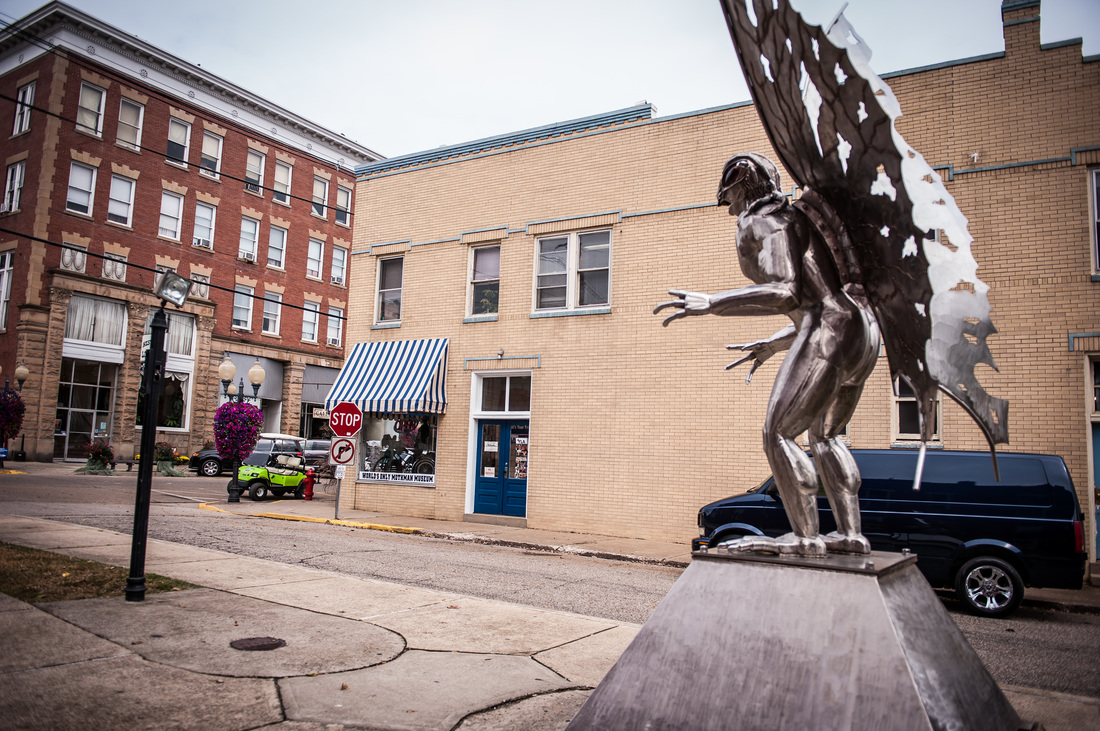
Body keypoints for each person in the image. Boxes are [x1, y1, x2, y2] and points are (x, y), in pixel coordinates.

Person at [655, 153, 879, 556]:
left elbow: (787, 291)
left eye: (729, 197)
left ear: (740, 187)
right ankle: (850, 533)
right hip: (859, 329)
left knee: (778, 433)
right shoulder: (792, 216)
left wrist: (713, 302)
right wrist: (774, 345)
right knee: (825, 435)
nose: (728, 208)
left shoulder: (764, 220)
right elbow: (813, 297)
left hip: (827, 327)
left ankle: (806, 539)